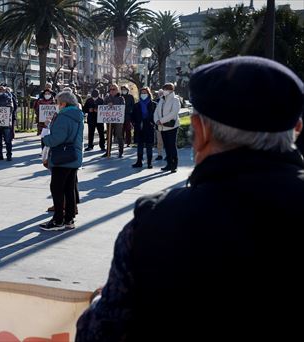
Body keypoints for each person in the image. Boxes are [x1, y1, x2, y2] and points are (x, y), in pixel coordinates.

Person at [76, 56, 304, 342]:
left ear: (201, 129)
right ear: (296, 129)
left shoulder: (154, 223)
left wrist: (98, 302)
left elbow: (100, 334)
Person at [40, 90, 84, 231]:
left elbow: (57, 138)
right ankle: (69, 219)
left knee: (57, 188)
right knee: (69, 189)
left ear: (64, 103)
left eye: (58, 103)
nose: (57, 105)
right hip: (73, 155)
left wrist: (45, 138)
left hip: (62, 157)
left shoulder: (64, 116)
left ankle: (58, 220)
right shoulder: (77, 115)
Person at [154, 83, 181, 172]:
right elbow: (156, 111)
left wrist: (161, 120)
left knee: (172, 145)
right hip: (162, 127)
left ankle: (174, 165)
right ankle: (169, 164)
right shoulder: (161, 100)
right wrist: (157, 120)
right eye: (164, 89)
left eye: (166, 89)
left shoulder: (175, 100)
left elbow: (173, 113)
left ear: (171, 90)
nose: (164, 91)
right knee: (167, 146)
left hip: (171, 127)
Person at [131, 87, 157, 169]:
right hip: (139, 127)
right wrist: (134, 123)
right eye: (142, 93)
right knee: (140, 145)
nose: (143, 94)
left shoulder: (153, 104)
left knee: (149, 145)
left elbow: (156, 116)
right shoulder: (136, 105)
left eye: (145, 92)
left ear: (149, 94)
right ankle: (139, 161)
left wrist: (152, 123)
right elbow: (132, 116)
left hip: (149, 127)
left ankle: (149, 163)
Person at [0, 86, 14, 161]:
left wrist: (0, 107)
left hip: (6, 123)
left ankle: (9, 155)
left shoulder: (8, 98)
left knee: (7, 140)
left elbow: (10, 108)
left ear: (4, 91)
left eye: (0, 90)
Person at [102, 83, 125, 158]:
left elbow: (122, 108)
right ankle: (108, 151)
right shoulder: (107, 97)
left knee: (119, 135)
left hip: (118, 120)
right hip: (109, 120)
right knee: (109, 135)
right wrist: (107, 105)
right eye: (110, 89)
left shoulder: (121, 98)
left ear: (117, 90)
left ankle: (121, 151)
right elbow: (103, 107)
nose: (112, 91)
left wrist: (114, 105)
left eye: (114, 89)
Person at [154, 89, 164, 161]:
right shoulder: (156, 102)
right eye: (159, 94)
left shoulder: (167, 101)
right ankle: (159, 154)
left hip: (167, 124)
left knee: (167, 141)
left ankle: (168, 155)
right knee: (159, 141)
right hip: (158, 124)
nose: (160, 95)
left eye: (162, 93)